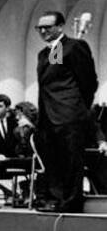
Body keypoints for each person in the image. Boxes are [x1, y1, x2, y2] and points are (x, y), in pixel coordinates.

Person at [35, 11, 99, 213]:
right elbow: (52, 81)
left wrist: (77, 107)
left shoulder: (74, 47)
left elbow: (88, 82)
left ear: (60, 27)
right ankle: (58, 199)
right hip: (49, 116)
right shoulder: (45, 53)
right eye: (40, 28)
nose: (43, 31)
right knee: (54, 161)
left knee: (71, 160)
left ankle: (71, 202)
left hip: (70, 115)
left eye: (48, 27)